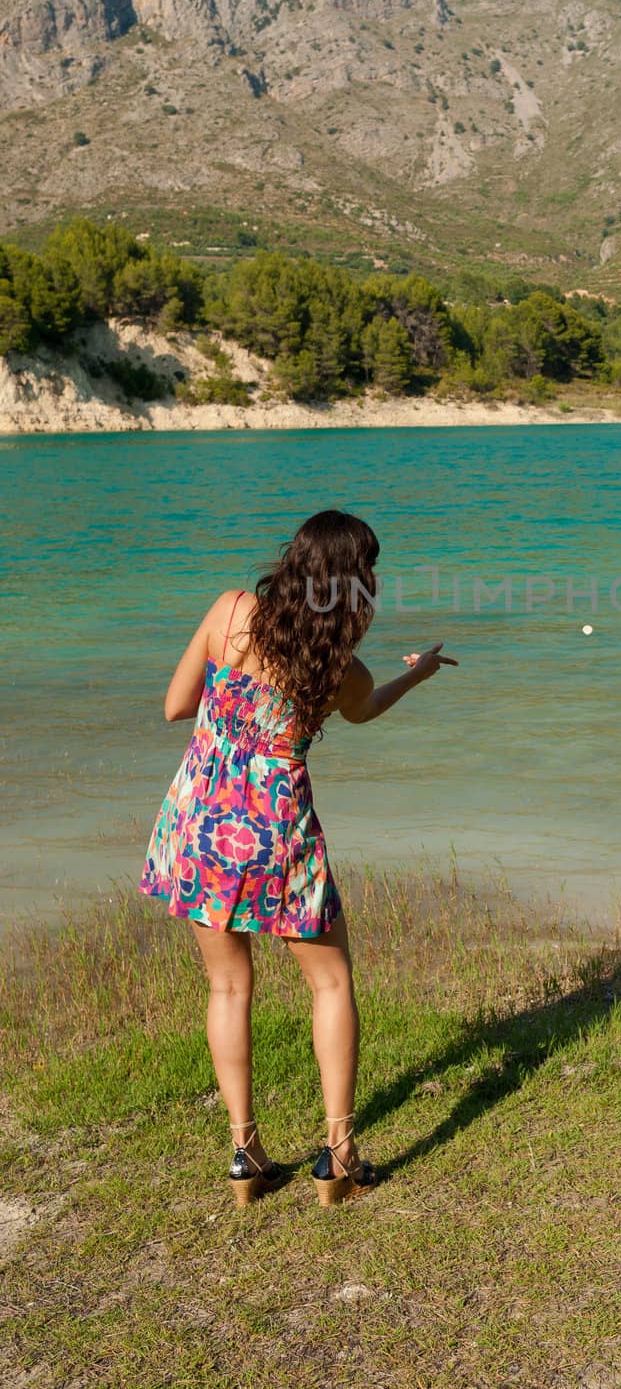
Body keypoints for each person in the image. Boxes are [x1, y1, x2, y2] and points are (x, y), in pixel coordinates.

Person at [139, 509, 457, 1206]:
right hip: (279, 828)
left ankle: (245, 1154)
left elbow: (173, 708)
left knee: (227, 988)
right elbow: (365, 709)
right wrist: (420, 674)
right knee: (331, 984)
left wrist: (232, 722)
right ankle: (338, 1156)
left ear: (294, 560)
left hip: (202, 819)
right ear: (353, 583)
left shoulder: (230, 612)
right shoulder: (338, 665)